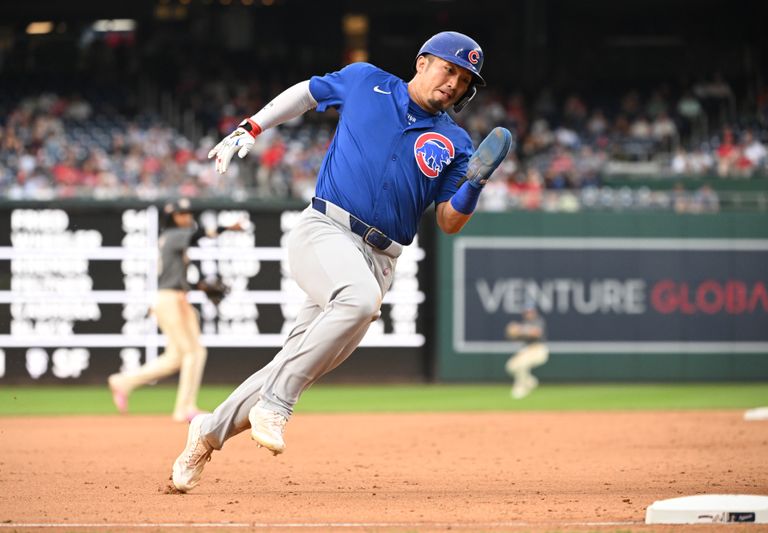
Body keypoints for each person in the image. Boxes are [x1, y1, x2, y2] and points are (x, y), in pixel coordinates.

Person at [170, 30, 511, 492]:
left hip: (381, 258)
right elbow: (306, 94)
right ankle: (277, 404)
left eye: (465, 80)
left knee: (295, 360)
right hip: (325, 229)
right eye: (449, 69)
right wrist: (252, 126)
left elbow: (449, 223)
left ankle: (206, 434)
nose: (454, 83)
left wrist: (473, 183)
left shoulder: (454, 142)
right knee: (357, 302)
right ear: (422, 62)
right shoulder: (366, 81)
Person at [108, 198, 230, 423]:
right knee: (193, 353)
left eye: (187, 212)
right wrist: (226, 227)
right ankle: (184, 408)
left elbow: (175, 277)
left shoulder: (169, 239)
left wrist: (198, 286)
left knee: (176, 357)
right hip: (170, 300)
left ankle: (123, 382)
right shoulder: (175, 235)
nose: (186, 217)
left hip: (174, 297)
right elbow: (199, 235)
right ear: (172, 218)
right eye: (180, 214)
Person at [504, 306, 549, 399]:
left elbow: (536, 332)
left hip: (539, 349)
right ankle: (530, 381)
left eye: (530, 312)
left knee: (522, 365)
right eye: (527, 312)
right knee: (510, 367)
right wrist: (513, 333)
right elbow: (513, 336)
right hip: (527, 350)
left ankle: (521, 388)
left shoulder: (538, 321)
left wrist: (519, 329)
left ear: (534, 312)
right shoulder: (525, 323)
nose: (528, 314)